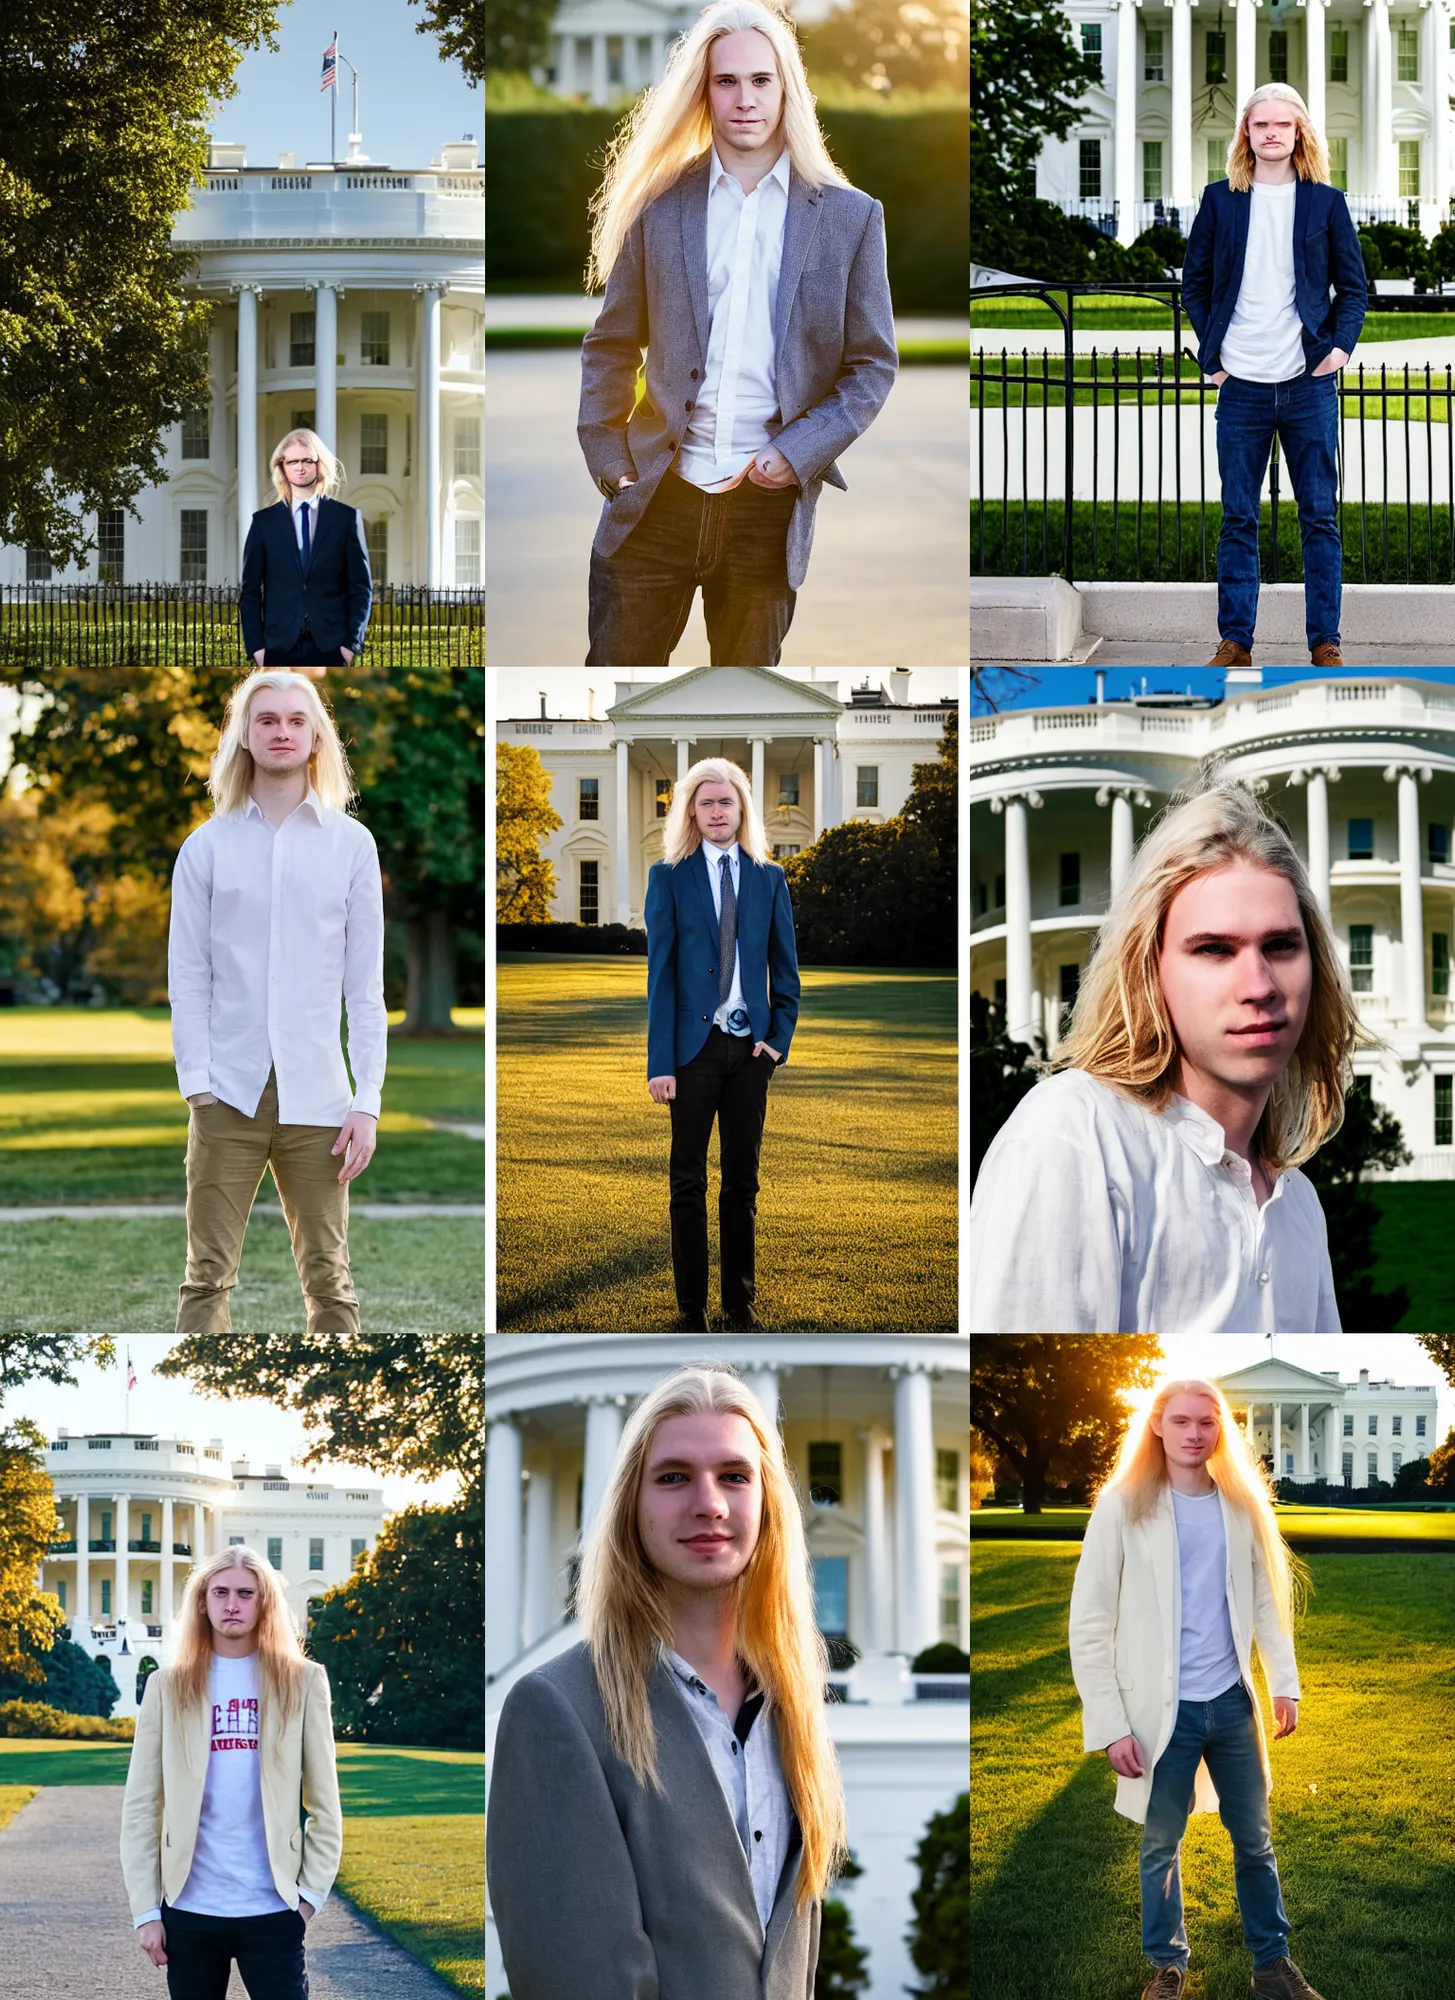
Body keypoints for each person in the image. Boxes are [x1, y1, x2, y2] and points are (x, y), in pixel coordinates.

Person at [968, 773, 1392, 1332]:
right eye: (1214, 949)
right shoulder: (1076, 1138)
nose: (1259, 984)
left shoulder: (1300, 1205)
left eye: (1282, 945)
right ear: (1151, 969)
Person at [487, 1363, 847, 2000]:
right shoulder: (557, 1711)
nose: (708, 1503)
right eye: (674, 1477)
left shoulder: (793, 1709)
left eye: (734, 1476)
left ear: (767, 1502)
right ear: (632, 1504)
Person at [578, 0, 898, 667]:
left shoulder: (850, 218)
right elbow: (611, 345)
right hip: (655, 499)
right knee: (618, 690)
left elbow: (870, 366)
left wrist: (799, 450)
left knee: (748, 699)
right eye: (727, 81)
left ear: (787, 89)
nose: (744, 99)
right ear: (704, 92)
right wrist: (613, 465)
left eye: (760, 80)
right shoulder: (659, 207)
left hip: (767, 507)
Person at [1068, 1378, 1324, 2000]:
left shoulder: (1238, 1505)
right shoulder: (1123, 1504)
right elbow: (1090, 1622)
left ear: (1220, 1429)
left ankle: (1273, 1966)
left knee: (1255, 1842)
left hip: (1232, 1705)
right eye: (1181, 1421)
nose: (1193, 1434)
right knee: (1160, 1846)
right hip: (1159, 1715)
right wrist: (1109, 1724)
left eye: (1206, 1423)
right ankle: (1167, 1966)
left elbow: (1266, 1601)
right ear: (1156, 1424)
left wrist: (1282, 1684)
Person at [167, 668, 387, 1335]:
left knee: (331, 1279)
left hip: (320, 1099)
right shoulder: (205, 848)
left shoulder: (351, 845)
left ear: (316, 737)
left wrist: (367, 1101)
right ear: (245, 737)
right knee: (206, 1275)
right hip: (227, 1096)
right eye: (267, 720)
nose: (282, 731)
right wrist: (197, 1085)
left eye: (297, 720)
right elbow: (188, 976)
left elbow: (365, 988)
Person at [1182, 85, 1367, 671]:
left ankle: (1325, 643)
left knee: (1320, 518)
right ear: (1246, 134)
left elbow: (1354, 288)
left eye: (1281, 125)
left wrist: (1339, 348)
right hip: (1241, 387)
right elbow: (1195, 283)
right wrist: (1213, 355)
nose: (1269, 134)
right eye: (1259, 125)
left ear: (1299, 133)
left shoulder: (1326, 203)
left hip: (1308, 382)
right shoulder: (1220, 201)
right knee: (1238, 518)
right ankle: (1235, 642)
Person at [120, 1545, 343, 1999]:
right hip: (190, 1909)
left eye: (246, 1592)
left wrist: (308, 1900)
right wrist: (146, 1911)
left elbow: (324, 1804)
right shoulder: (167, 1685)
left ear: (264, 1602)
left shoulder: (302, 1681)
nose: (232, 1604)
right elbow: (141, 1806)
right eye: (220, 1592)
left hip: (273, 1909)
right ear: (202, 1602)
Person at [645, 757, 800, 1331]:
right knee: (687, 1181)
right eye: (705, 802)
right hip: (692, 1052)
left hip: (750, 1054)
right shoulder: (669, 877)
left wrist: (777, 1042)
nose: (716, 811)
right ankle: (691, 1311)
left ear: (741, 810)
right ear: (691, 810)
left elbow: (786, 972)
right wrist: (661, 1062)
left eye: (725, 801)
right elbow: (660, 977)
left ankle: (739, 1305)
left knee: (742, 1183)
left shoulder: (769, 878)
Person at [239, 427, 373, 668]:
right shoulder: (263, 522)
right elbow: (249, 590)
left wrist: (351, 645)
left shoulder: (346, 518)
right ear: (282, 466)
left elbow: (361, 587)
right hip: (278, 645)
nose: (300, 467)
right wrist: (256, 648)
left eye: (307, 460)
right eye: (292, 461)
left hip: (332, 646)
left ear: (319, 464)